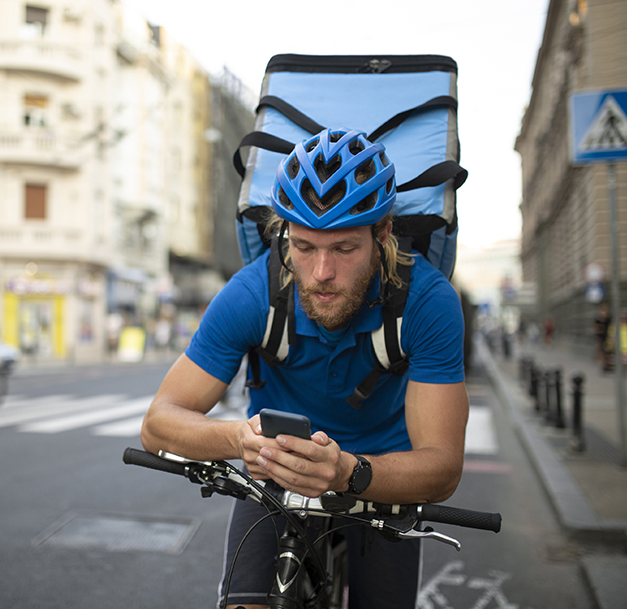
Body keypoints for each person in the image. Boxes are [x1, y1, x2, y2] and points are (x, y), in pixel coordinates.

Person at [140, 129, 468, 609]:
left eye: (343, 249)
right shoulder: (252, 294)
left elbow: (442, 467)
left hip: (380, 474)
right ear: (284, 233)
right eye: (305, 246)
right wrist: (238, 440)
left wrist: (343, 470)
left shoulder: (428, 302)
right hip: (275, 473)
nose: (320, 273)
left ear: (382, 234)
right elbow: (158, 423)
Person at [592, 302, 611, 372]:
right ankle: (603, 365)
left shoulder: (609, 319)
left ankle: (607, 364)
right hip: (600, 337)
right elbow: (594, 328)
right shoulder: (598, 319)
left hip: (607, 337)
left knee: (607, 351)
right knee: (601, 351)